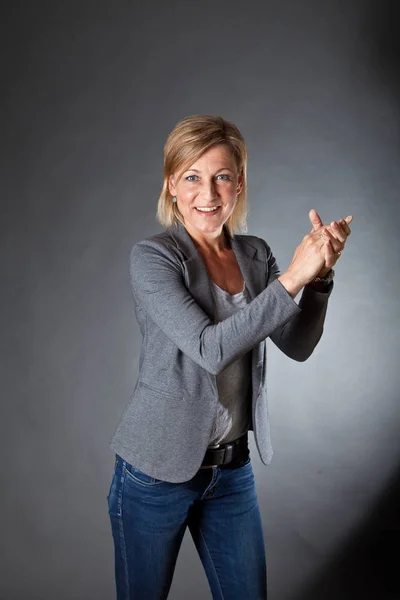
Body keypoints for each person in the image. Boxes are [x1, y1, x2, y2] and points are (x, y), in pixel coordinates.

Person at [107, 115, 352, 600]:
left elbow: (297, 345)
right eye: (192, 177)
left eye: (221, 176)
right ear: (171, 185)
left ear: (238, 185)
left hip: (232, 471)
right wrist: (293, 280)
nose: (208, 192)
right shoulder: (154, 257)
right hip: (157, 472)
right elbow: (209, 348)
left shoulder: (255, 254)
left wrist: (319, 279)